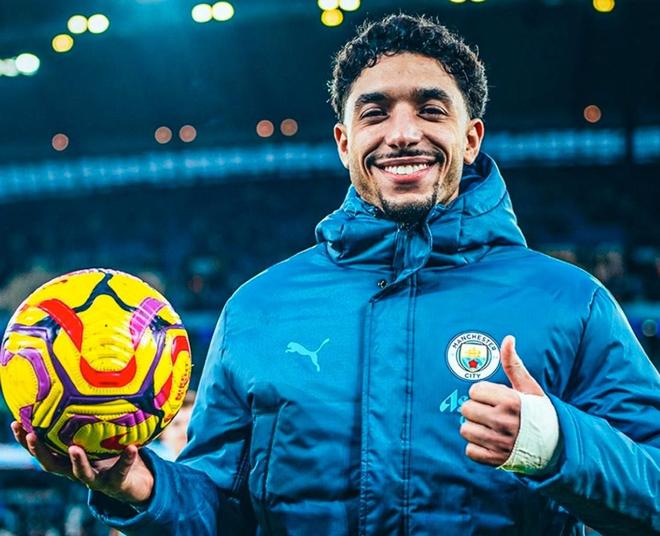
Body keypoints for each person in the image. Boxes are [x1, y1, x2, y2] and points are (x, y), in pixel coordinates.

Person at [11, 13, 660, 535]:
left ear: (471, 137)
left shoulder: (572, 304)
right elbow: (220, 510)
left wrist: (555, 442)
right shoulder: (257, 311)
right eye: (374, 113)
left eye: (431, 110)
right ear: (345, 142)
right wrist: (142, 488)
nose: (402, 133)